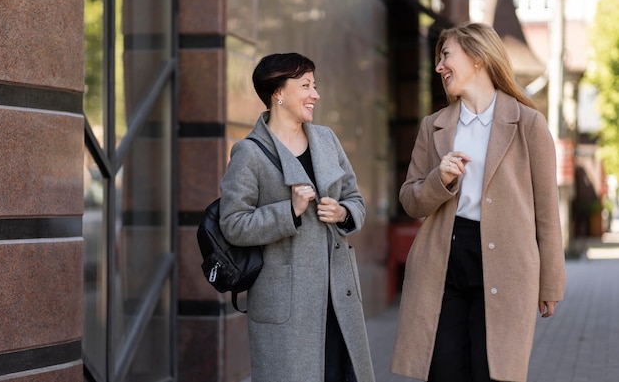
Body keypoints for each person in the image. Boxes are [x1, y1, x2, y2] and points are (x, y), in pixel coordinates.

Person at [390, 22, 566, 382]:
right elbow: (410, 200)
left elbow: (547, 213)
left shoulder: (528, 124)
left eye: (446, 55)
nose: (439, 67)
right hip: (444, 259)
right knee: (444, 370)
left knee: (492, 371)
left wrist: (551, 283)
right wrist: (440, 179)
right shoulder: (434, 126)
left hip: (507, 263)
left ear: (478, 58)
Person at [219, 52, 375, 382]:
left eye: (314, 85)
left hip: (338, 296)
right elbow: (233, 223)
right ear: (278, 92)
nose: (315, 94)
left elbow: (356, 199)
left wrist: (344, 212)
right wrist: (288, 212)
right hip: (288, 306)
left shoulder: (326, 139)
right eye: (305, 85)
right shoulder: (249, 153)